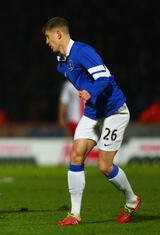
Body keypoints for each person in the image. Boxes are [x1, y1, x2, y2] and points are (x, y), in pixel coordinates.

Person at [42, 17, 141, 226]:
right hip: (93, 112)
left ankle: (132, 200)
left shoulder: (82, 51)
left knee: (105, 166)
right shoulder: (62, 61)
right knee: (76, 155)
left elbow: (105, 78)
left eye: (48, 37)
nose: (47, 42)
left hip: (114, 111)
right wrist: (90, 98)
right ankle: (75, 214)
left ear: (59, 34)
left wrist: (91, 92)